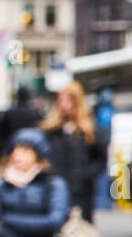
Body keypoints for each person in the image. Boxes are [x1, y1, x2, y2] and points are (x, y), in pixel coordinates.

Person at [39, 80, 105, 223]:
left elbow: (101, 159)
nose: (63, 104)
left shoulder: (89, 129)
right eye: (60, 100)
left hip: (81, 191)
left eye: (67, 100)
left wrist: (86, 175)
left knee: (80, 233)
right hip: (55, 188)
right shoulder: (51, 129)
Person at [0, 85, 40, 162]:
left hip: (12, 149)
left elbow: (0, 132)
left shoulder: (10, 113)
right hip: (28, 152)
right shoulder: (34, 113)